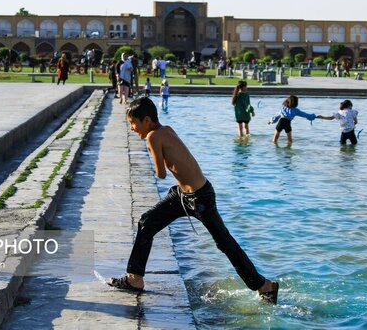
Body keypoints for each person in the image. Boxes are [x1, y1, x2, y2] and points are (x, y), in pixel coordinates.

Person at [107, 97, 279, 304]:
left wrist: (153, 152)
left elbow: (160, 174)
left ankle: (264, 286)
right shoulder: (166, 129)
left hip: (199, 199)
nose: (132, 128)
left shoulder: (153, 137)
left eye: (133, 123)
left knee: (225, 243)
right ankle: (135, 278)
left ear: (146, 120)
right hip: (184, 194)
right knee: (146, 222)